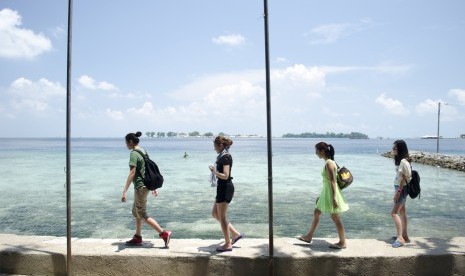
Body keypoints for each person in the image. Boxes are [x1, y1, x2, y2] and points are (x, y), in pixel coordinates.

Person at [122, 131, 171, 247]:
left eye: (126, 143)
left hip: (140, 186)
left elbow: (132, 173)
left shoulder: (134, 153)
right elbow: (148, 169)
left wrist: (124, 191)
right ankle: (138, 237)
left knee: (142, 213)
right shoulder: (143, 150)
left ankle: (163, 233)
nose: (126, 145)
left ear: (130, 141)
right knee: (136, 211)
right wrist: (153, 187)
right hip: (146, 185)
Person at [298, 142, 349, 249]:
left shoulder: (329, 163)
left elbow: (333, 182)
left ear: (322, 151)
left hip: (331, 193)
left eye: (317, 151)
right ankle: (309, 236)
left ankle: (342, 242)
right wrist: (321, 196)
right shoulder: (329, 162)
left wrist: (334, 197)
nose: (316, 153)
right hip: (326, 192)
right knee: (317, 212)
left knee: (335, 217)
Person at [208, 136, 243, 252]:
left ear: (221, 145)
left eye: (215, 147)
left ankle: (228, 244)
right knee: (215, 213)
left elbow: (226, 175)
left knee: (222, 217)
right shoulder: (222, 156)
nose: (214, 149)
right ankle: (235, 234)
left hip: (225, 188)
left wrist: (214, 172)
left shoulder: (226, 157)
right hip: (222, 188)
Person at [390, 140, 411, 248]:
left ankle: (400, 238)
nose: (393, 150)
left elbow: (403, 178)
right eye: (393, 148)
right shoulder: (404, 160)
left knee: (393, 213)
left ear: (401, 149)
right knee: (402, 212)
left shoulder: (403, 162)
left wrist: (398, 192)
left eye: (395, 148)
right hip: (403, 188)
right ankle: (405, 235)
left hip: (401, 189)